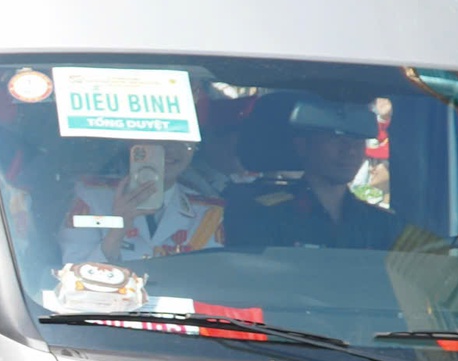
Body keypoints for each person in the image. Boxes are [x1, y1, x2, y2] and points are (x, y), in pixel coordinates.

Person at [225, 106, 398, 251]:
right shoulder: (264, 216)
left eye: (358, 141)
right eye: (336, 139)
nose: (350, 151)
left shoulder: (380, 225)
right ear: (303, 146)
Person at [58, 141, 225, 264]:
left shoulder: (206, 214)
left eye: (186, 142)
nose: (172, 149)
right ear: (134, 145)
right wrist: (117, 228)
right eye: (161, 140)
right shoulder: (92, 197)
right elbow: (74, 273)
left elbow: (206, 282)